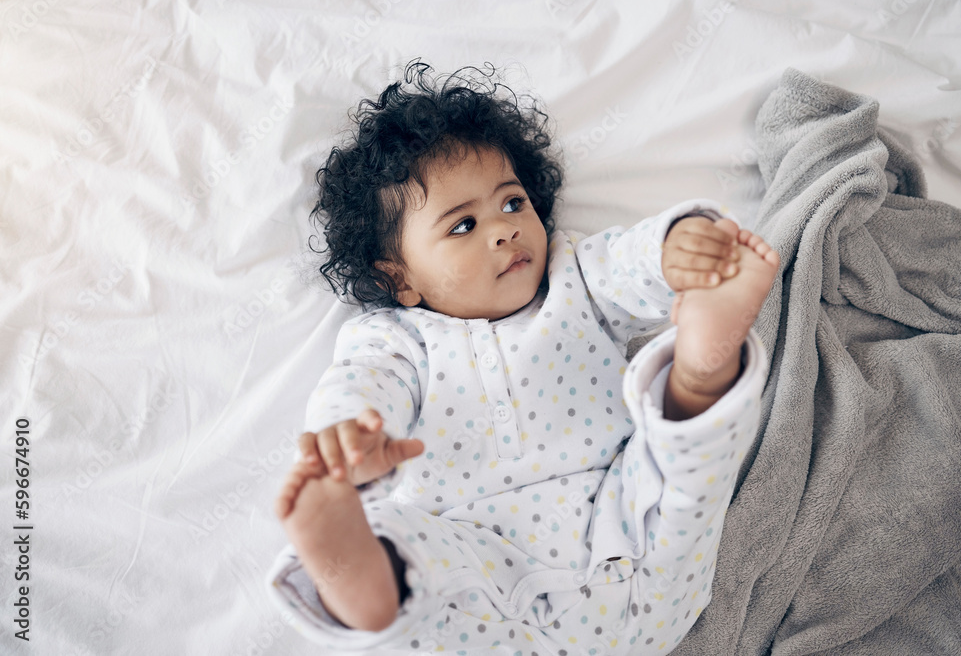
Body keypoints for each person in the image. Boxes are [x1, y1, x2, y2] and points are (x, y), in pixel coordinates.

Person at [266, 60, 779, 654]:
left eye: (512, 204)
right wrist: (351, 436)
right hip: (482, 572)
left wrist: (676, 248)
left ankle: (702, 361)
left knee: (683, 472)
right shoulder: (397, 338)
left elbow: (628, 262)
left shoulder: (573, 278)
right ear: (400, 278)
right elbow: (361, 382)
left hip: (628, 539)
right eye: (462, 225)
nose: (504, 230)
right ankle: (361, 574)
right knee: (412, 554)